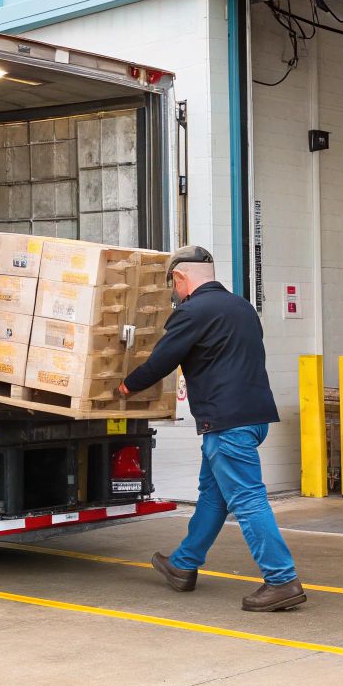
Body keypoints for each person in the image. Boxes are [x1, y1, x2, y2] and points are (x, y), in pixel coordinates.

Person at [117, 245, 304, 612]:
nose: (174, 292)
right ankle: (183, 565)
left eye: (173, 284)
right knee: (214, 495)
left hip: (226, 423)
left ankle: (282, 579)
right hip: (253, 417)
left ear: (180, 278)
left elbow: (161, 361)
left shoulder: (193, 312)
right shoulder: (242, 307)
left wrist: (126, 386)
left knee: (248, 501)